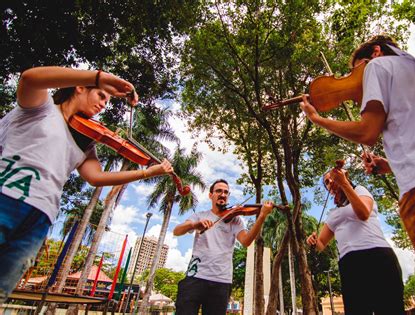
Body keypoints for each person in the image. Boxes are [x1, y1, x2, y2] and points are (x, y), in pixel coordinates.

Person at [300, 35, 415, 314]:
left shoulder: (379, 67)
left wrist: (318, 119)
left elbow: (367, 132)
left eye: (357, 69)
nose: (355, 80)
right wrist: (391, 163)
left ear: (376, 52)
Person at [0, 67, 174, 302]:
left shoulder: (84, 139)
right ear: (80, 87)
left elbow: (96, 177)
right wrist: (100, 78)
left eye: (106, 100)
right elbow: (29, 78)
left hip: (41, 215)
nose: (103, 104)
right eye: (101, 96)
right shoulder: (41, 108)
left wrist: (148, 172)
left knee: (2, 289)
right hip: (6, 197)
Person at [307, 166, 404, 314]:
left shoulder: (360, 190)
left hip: (377, 256)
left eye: (333, 178)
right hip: (350, 264)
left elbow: (364, 213)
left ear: (344, 176)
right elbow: (320, 245)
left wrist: (344, 183)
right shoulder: (333, 214)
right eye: (327, 182)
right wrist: (313, 241)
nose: (330, 182)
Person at [173, 179, 274, 315]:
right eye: (219, 191)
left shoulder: (235, 219)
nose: (223, 194)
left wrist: (261, 216)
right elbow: (177, 231)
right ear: (211, 195)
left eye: (226, 192)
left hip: (221, 281)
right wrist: (194, 225)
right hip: (195, 278)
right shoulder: (200, 216)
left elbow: (246, 241)